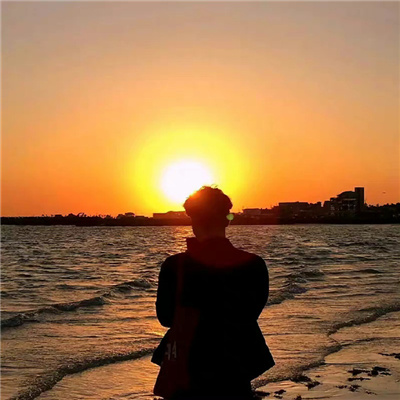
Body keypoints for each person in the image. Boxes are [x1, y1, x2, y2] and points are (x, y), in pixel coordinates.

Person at [152, 186, 274, 399]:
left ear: (192, 220)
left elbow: (166, 318)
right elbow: (250, 314)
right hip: (235, 364)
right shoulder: (254, 264)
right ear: (227, 220)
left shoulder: (174, 265)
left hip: (187, 364)